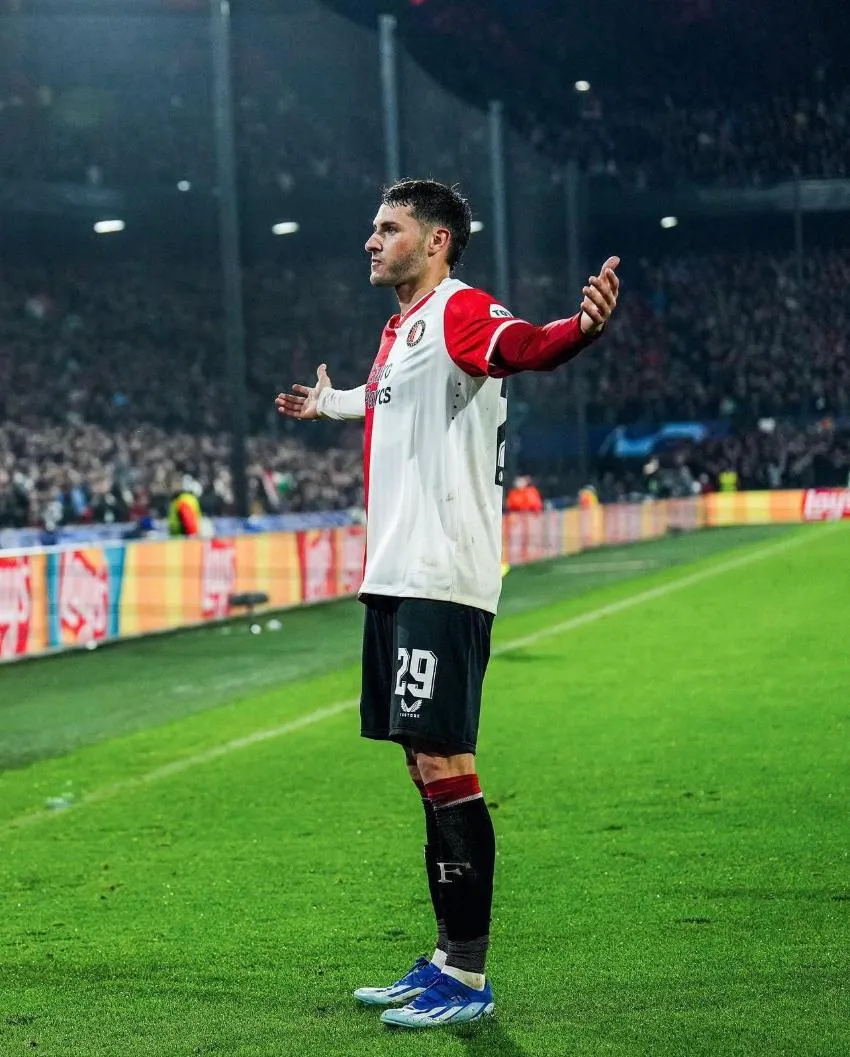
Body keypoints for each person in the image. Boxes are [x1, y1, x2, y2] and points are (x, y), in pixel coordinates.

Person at [275, 179, 620, 1029]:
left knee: (444, 764)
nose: (370, 239)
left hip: (441, 575)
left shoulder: (460, 310)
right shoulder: (400, 331)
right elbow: (388, 404)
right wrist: (331, 402)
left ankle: (467, 974)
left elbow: (524, 343)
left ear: (435, 242)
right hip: (396, 575)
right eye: (372, 225)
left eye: (388, 228)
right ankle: (443, 956)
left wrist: (579, 328)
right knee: (420, 765)